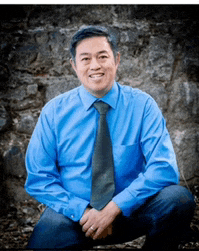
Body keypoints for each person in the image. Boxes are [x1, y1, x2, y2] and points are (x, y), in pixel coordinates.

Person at [25, 25, 195, 250]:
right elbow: (40, 178)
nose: (95, 65)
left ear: (117, 60)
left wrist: (114, 208)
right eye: (85, 59)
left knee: (179, 199)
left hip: (130, 211)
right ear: (74, 66)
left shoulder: (142, 106)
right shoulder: (54, 112)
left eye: (102, 56)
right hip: (74, 217)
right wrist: (84, 212)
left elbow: (163, 168)